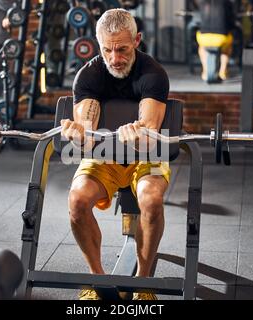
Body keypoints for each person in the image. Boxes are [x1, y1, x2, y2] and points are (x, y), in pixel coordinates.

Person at [60, 9, 170, 300]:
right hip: (105, 153)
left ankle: (143, 283)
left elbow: (149, 134)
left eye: (122, 49)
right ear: (99, 45)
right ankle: (98, 279)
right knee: (77, 200)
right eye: (107, 49)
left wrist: (140, 132)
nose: (115, 58)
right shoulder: (88, 75)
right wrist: (77, 133)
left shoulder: (153, 73)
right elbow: (85, 136)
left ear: (136, 40)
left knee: (152, 198)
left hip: (148, 154)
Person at [196, 0, 236, 81]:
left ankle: (205, 71)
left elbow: (199, 19)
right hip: (221, 38)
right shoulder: (227, 3)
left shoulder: (202, 2)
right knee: (227, 48)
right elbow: (231, 21)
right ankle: (223, 71)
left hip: (204, 38)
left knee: (201, 48)